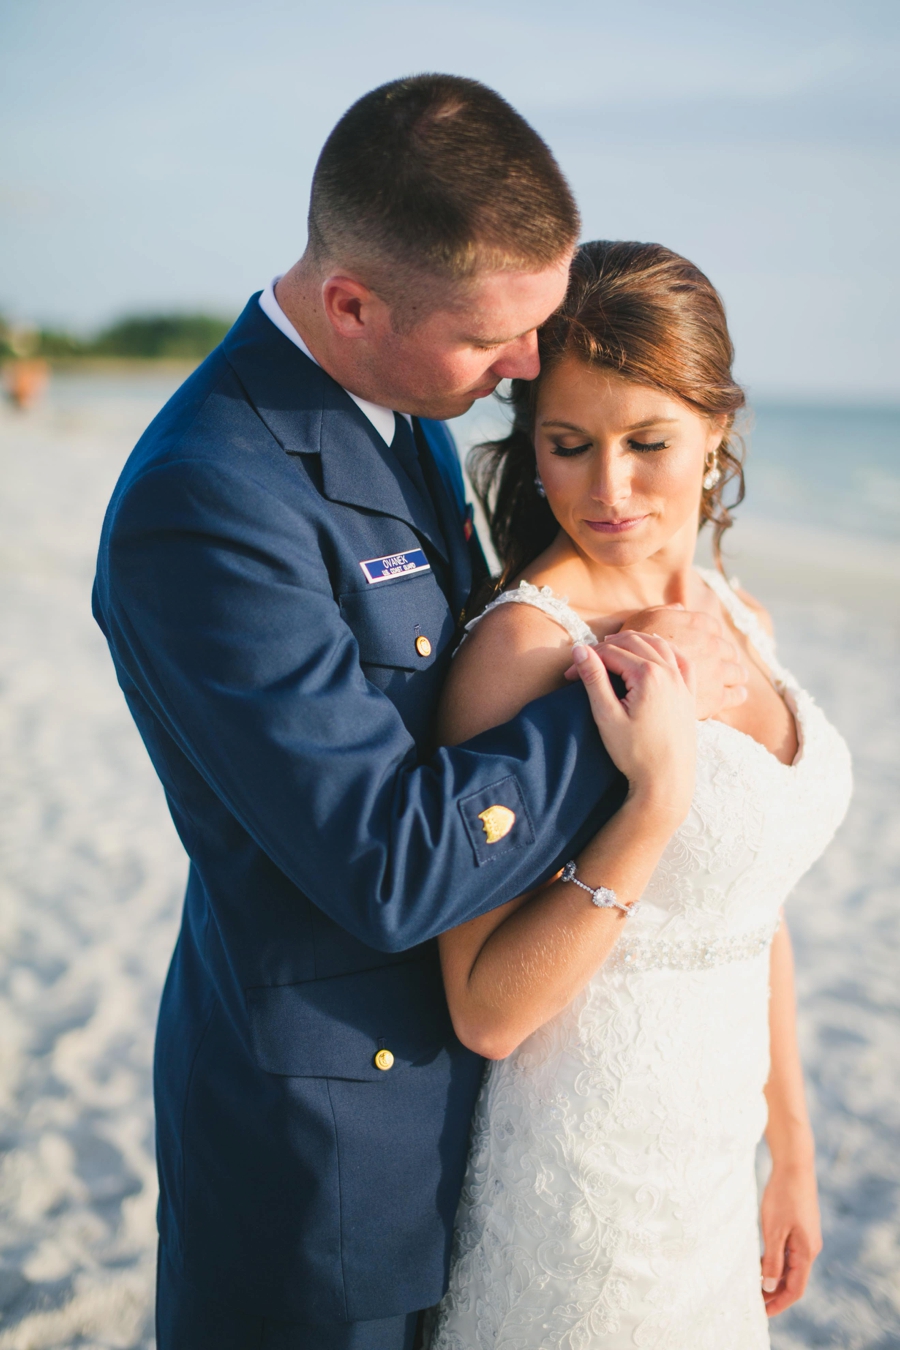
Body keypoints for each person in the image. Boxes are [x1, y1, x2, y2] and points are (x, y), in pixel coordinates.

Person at [93, 77, 744, 1350]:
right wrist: (635, 690)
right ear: (353, 302)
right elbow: (386, 863)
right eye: (494, 338)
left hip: (493, 1117)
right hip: (333, 1158)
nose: (525, 368)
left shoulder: (406, 409)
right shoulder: (209, 501)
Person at [430, 241, 853, 1348]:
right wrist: (652, 807)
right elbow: (484, 1007)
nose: (609, 492)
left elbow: (751, 905)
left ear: (718, 429)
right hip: (588, 1186)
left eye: (648, 443)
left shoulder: (734, 610)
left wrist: (792, 1153)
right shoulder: (525, 649)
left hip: (718, 1179)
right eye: (568, 447)